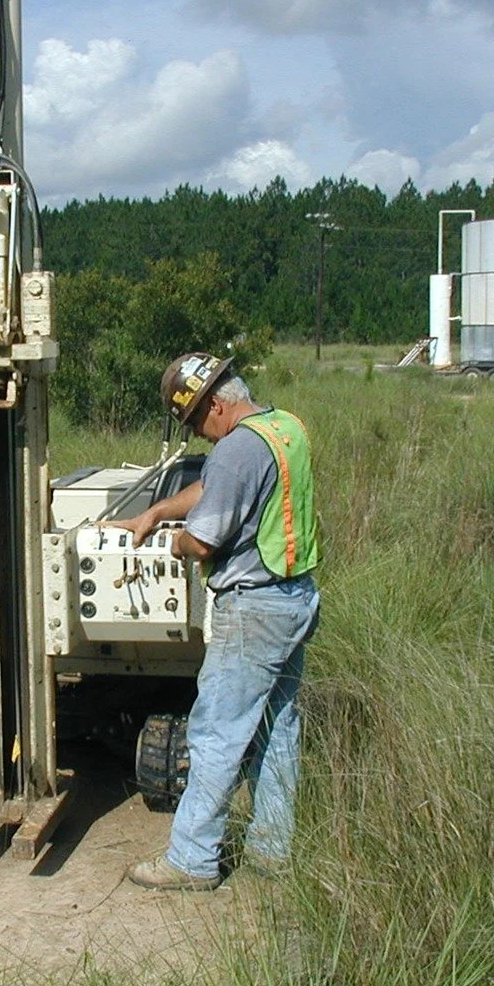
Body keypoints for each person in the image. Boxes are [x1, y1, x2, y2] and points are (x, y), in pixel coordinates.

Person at [115, 352, 321, 891]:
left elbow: (205, 538)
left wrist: (173, 541)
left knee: (216, 733)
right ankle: (272, 850)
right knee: (277, 728)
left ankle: (192, 859)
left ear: (214, 406)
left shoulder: (235, 450)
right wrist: (159, 510)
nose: (200, 436)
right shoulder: (283, 428)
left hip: (252, 608)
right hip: (294, 597)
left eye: (196, 424)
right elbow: (214, 490)